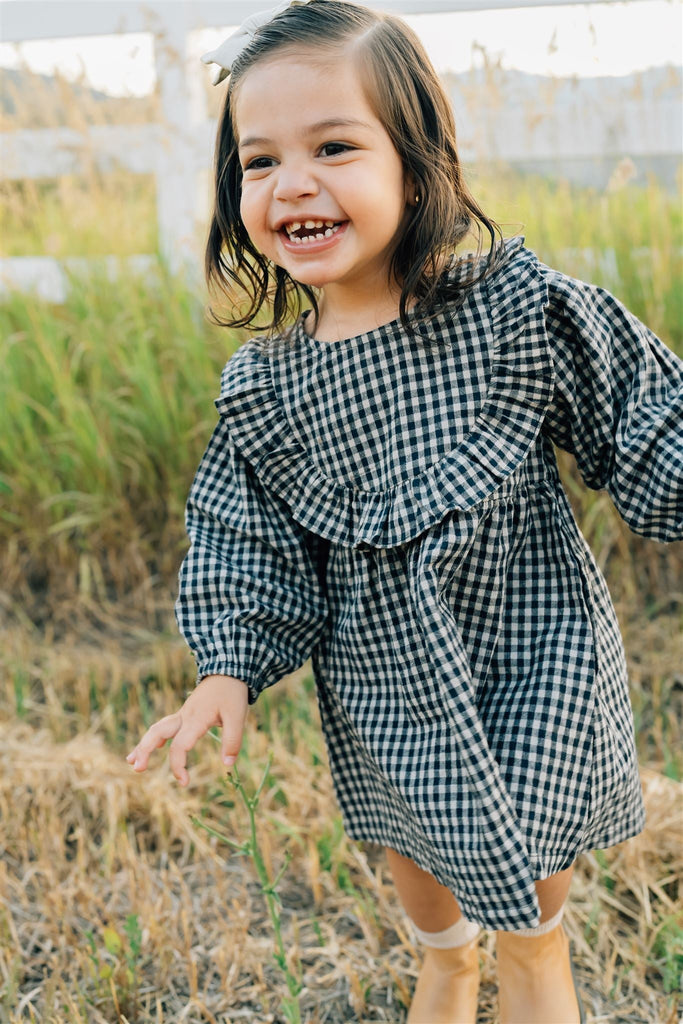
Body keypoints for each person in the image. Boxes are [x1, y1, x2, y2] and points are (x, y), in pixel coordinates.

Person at [125, 1, 683, 1021]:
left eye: (332, 146)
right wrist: (225, 670)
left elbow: (644, 418)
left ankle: (527, 969)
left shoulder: (513, 315)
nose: (292, 181)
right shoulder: (267, 387)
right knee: (431, 903)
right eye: (258, 162)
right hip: (385, 695)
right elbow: (244, 543)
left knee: (531, 928)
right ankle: (444, 965)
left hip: (535, 658)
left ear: (416, 168)